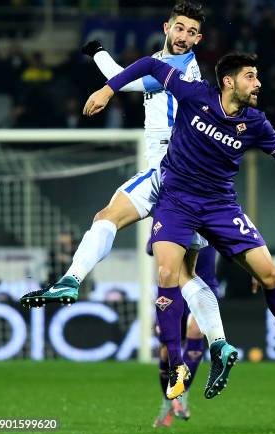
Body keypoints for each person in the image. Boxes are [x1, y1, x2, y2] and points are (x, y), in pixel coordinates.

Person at [20, 1, 234, 411]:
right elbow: (130, 76)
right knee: (178, 270)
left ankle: (72, 278)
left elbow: (128, 81)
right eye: (180, 28)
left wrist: (98, 59)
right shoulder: (161, 63)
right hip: (186, 181)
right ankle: (219, 342)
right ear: (167, 27)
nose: (185, 35)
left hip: (168, 171)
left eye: (192, 32)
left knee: (121, 229)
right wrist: (103, 63)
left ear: (198, 39)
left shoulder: (178, 71)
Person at [82, 52, 275, 383]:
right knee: (167, 273)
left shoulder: (256, 123)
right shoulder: (194, 93)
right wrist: (108, 90)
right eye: (250, 76)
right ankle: (176, 364)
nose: (258, 83)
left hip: (221, 207)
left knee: (272, 277)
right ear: (228, 81)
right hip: (176, 202)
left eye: (257, 76)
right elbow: (148, 65)